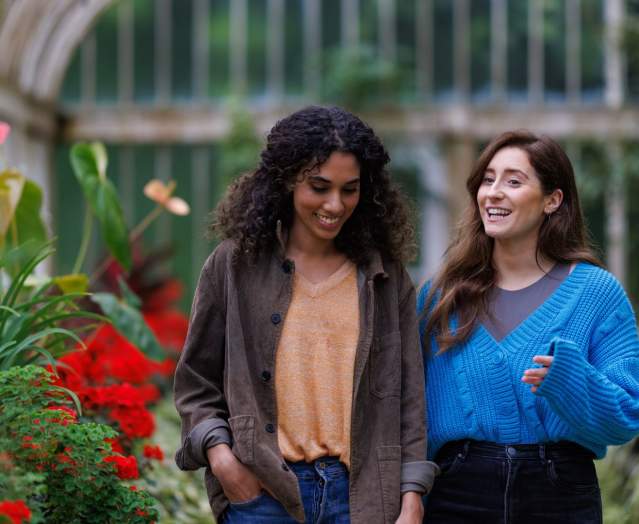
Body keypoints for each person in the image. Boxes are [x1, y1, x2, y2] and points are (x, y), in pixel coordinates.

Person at [174, 106, 439, 524]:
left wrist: (411, 494)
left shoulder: (384, 278)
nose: (335, 204)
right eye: (319, 187)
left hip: (364, 497)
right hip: (262, 492)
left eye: (349, 189)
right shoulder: (233, 265)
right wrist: (223, 460)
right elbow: (196, 382)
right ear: (287, 180)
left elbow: (410, 397)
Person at [417, 130, 639, 524]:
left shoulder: (597, 293)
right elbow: (404, 407)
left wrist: (571, 380)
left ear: (553, 200)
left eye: (514, 181)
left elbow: (627, 416)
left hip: (559, 493)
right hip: (455, 492)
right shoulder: (441, 296)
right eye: (488, 180)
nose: (494, 192)